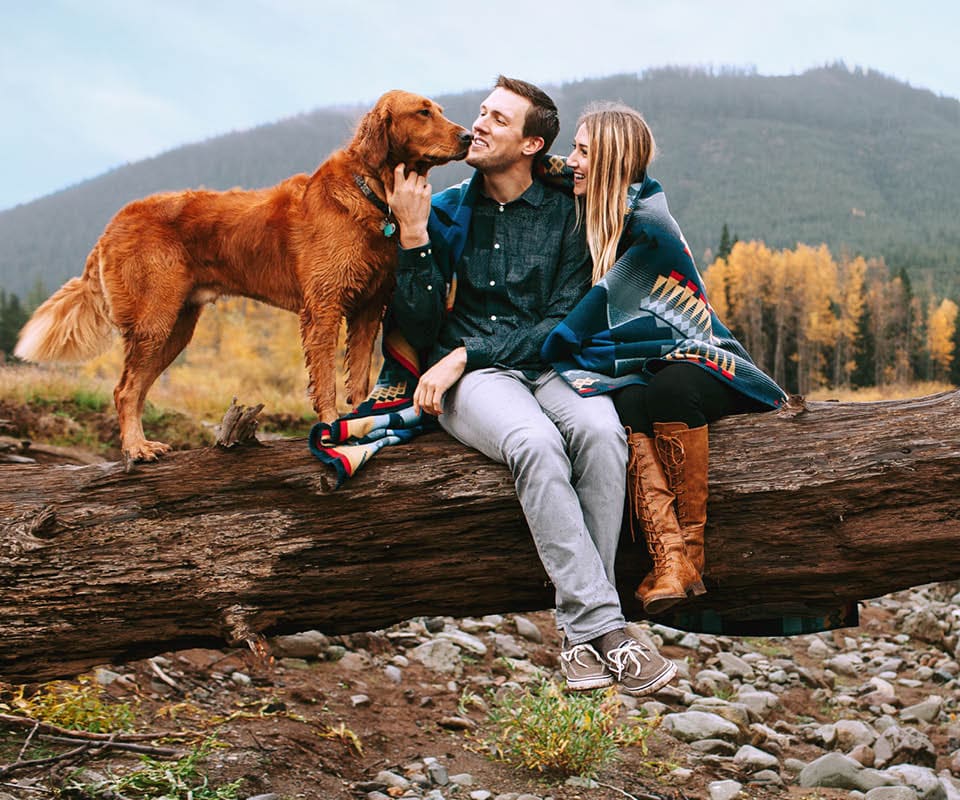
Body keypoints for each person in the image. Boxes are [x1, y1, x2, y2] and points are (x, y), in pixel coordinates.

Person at [385, 77, 678, 696]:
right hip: (476, 384)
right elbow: (414, 323)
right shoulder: (441, 213)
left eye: (497, 119)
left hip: (541, 365)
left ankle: (579, 641)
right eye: (483, 112)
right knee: (536, 444)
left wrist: (467, 350)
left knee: (602, 434)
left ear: (530, 144)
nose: (479, 125)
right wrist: (412, 237)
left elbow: (560, 321)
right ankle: (607, 628)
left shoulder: (565, 212)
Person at [542, 103, 788, 615]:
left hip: (703, 359)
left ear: (612, 161)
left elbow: (609, 312)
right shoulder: (601, 208)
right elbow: (545, 173)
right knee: (626, 399)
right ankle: (668, 556)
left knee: (670, 389)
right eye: (574, 150)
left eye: (585, 152)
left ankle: (687, 559)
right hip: (648, 369)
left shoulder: (650, 225)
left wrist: (561, 340)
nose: (573, 161)